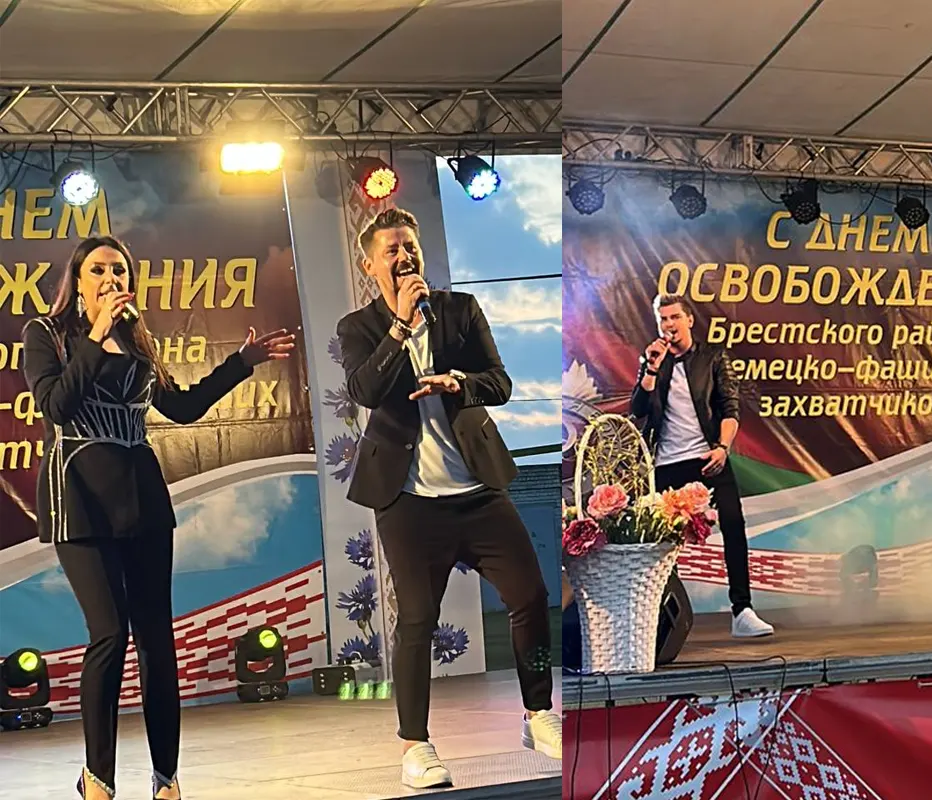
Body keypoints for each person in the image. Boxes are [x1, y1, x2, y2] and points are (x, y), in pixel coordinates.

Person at [21, 237, 294, 800]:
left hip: (141, 497)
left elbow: (184, 407)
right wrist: (96, 334)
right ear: (77, 281)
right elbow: (56, 405)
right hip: (79, 498)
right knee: (109, 633)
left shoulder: (137, 342)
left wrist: (242, 363)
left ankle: (166, 778)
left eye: (120, 271)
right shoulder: (46, 334)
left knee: (156, 640)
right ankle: (97, 778)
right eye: (99, 270)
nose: (112, 279)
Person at [335, 208, 560, 789]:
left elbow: (501, 382)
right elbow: (365, 390)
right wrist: (400, 327)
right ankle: (416, 746)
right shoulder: (359, 327)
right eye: (391, 250)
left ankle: (538, 712)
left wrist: (459, 382)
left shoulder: (460, 310)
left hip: (478, 490)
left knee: (531, 597)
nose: (404, 256)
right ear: (370, 265)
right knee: (417, 619)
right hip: (409, 499)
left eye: (409, 246)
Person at [630, 294, 774, 638]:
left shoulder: (713, 357)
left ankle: (742, 611)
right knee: (661, 542)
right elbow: (639, 408)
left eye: (675, 317)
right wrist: (651, 368)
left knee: (734, 525)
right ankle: (660, 620)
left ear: (689, 320)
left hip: (707, 458)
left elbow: (730, 407)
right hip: (667, 464)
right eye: (663, 319)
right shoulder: (653, 361)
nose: (669, 325)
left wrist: (722, 448)